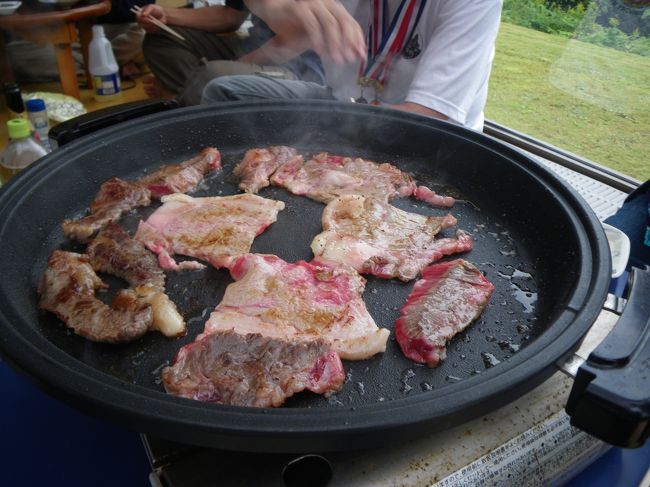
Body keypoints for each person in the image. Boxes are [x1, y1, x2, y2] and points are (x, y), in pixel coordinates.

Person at [201, 0, 503, 131]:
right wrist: (276, 10)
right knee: (223, 90)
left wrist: (315, 133)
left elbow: (431, 115)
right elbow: (293, 37)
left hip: (428, 134)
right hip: (341, 104)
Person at [135, 0, 326, 106]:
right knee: (161, 40)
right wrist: (166, 15)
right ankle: (190, 97)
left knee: (213, 76)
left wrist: (239, 65)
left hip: (298, 67)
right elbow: (230, 15)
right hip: (253, 47)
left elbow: (299, 36)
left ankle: (183, 103)